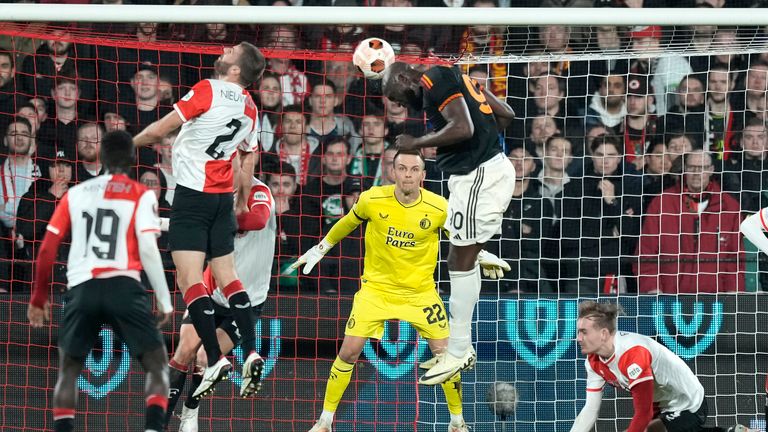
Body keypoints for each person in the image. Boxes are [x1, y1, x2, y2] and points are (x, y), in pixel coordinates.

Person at [292, 150, 509, 432]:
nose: (408, 174)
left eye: (414, 169)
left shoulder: (439, 206)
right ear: (393, 172)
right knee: (348, 352)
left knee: (448, 357)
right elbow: (348, 221)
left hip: (420, 294)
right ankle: (325, 422)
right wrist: (321, 248)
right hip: (377, 291)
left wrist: (482, 255)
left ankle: (457, 424)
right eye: (402, 168)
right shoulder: (372, 199)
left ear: (423, 175)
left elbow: (461, 238)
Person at [133, 41, 267, 398]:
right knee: (228, 277)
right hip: (222, 201)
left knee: (189, 278)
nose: (223, 52)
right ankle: (251, 350)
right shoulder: (252, 107)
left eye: (231, 51)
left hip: (192, 197)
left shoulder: (208, 89)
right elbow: (248, 158)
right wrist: (240, 198)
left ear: (237, 70)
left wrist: (127, 145)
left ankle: (215, 356)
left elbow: (160, 130)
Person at [26, 130, 173, 432]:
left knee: (68, 370)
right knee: (157, 364)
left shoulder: (75, 194)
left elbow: (46, 249)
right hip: (124, 287)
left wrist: (39, 299)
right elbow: (147, 248)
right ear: (133, 160)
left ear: (100, 158)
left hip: (82, 290)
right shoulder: (141, 194)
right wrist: (164, 299)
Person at [382, 62, 516, 385]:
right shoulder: (454, 77)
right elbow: (506, 115)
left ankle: (459, 349)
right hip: (476, 175)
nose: (400, 105)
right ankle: (478, 252)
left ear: (403, 78)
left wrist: (416, 143)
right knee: (462, 252)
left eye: (396, 98)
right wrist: (482, 138)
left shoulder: (434, 78)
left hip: (479, 176)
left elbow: (464, 128)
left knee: (458, 262)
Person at [164, 169, 276, 432]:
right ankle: (158, 423)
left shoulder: (260, 191)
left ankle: (190, 411)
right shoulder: (213, 195)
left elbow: (258, 220)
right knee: (184, 351)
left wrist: (220, 221)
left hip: (246, 299)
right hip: (212, 290)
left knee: (205, 358)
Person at [570, 300, 751, 432]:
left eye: (584, 332)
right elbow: (590, 410)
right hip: (662, 406)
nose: (578, 338)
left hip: (687, 402)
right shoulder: (593, 362)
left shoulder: (633, 353)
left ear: (603, 334)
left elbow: (643, 412)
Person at [636, 150, 744, 293]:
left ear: (711, 170)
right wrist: (652, 288)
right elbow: (646, 252)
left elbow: (735, 258)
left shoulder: (730, 207)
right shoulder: (662, 203)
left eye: (703, 168)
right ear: (685, 169)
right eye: (692, 168)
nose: (696, 173)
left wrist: (734, 293)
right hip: (668, 299)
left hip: (716, 301)